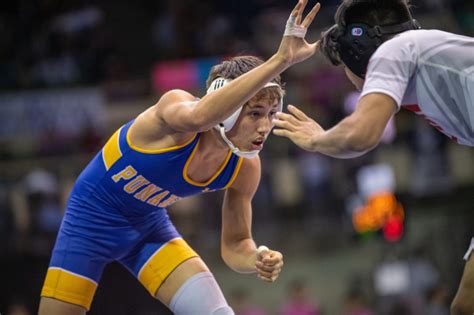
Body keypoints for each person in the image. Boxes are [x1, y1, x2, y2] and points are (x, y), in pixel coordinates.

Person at [38, 1, 321, 314]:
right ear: (225, 111)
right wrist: (280, 60)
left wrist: (257, 256)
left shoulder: (245, 166)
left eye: (270, 113)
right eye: (255, 113)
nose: (265, 126)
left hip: (148, 230)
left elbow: (236, 244)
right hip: (88, 225)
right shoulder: (177, 109)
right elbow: (201, 116)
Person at [271, 1, 473, 314]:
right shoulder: (423, 53)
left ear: (357, 49)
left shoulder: (391, 52)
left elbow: (361, 134)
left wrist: (316, 139)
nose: (349, 79)